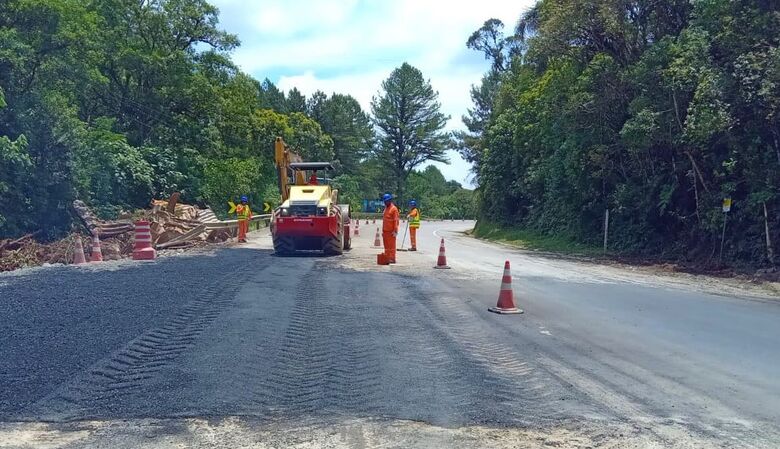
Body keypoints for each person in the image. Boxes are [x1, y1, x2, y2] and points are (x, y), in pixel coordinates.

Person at [381, 193, 399, 263]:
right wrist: (383, 231)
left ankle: (392, 258)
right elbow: (385, 220)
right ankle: (387, 257)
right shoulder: (386, 208)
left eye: (387, 201)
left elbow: (396, 220)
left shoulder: (394, 209)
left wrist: (395, 230)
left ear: (390, 200)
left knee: (391, 246)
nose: (385, 202)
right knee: (386, 246)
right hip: (385, 231)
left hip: (391, 232)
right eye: (385, 201)